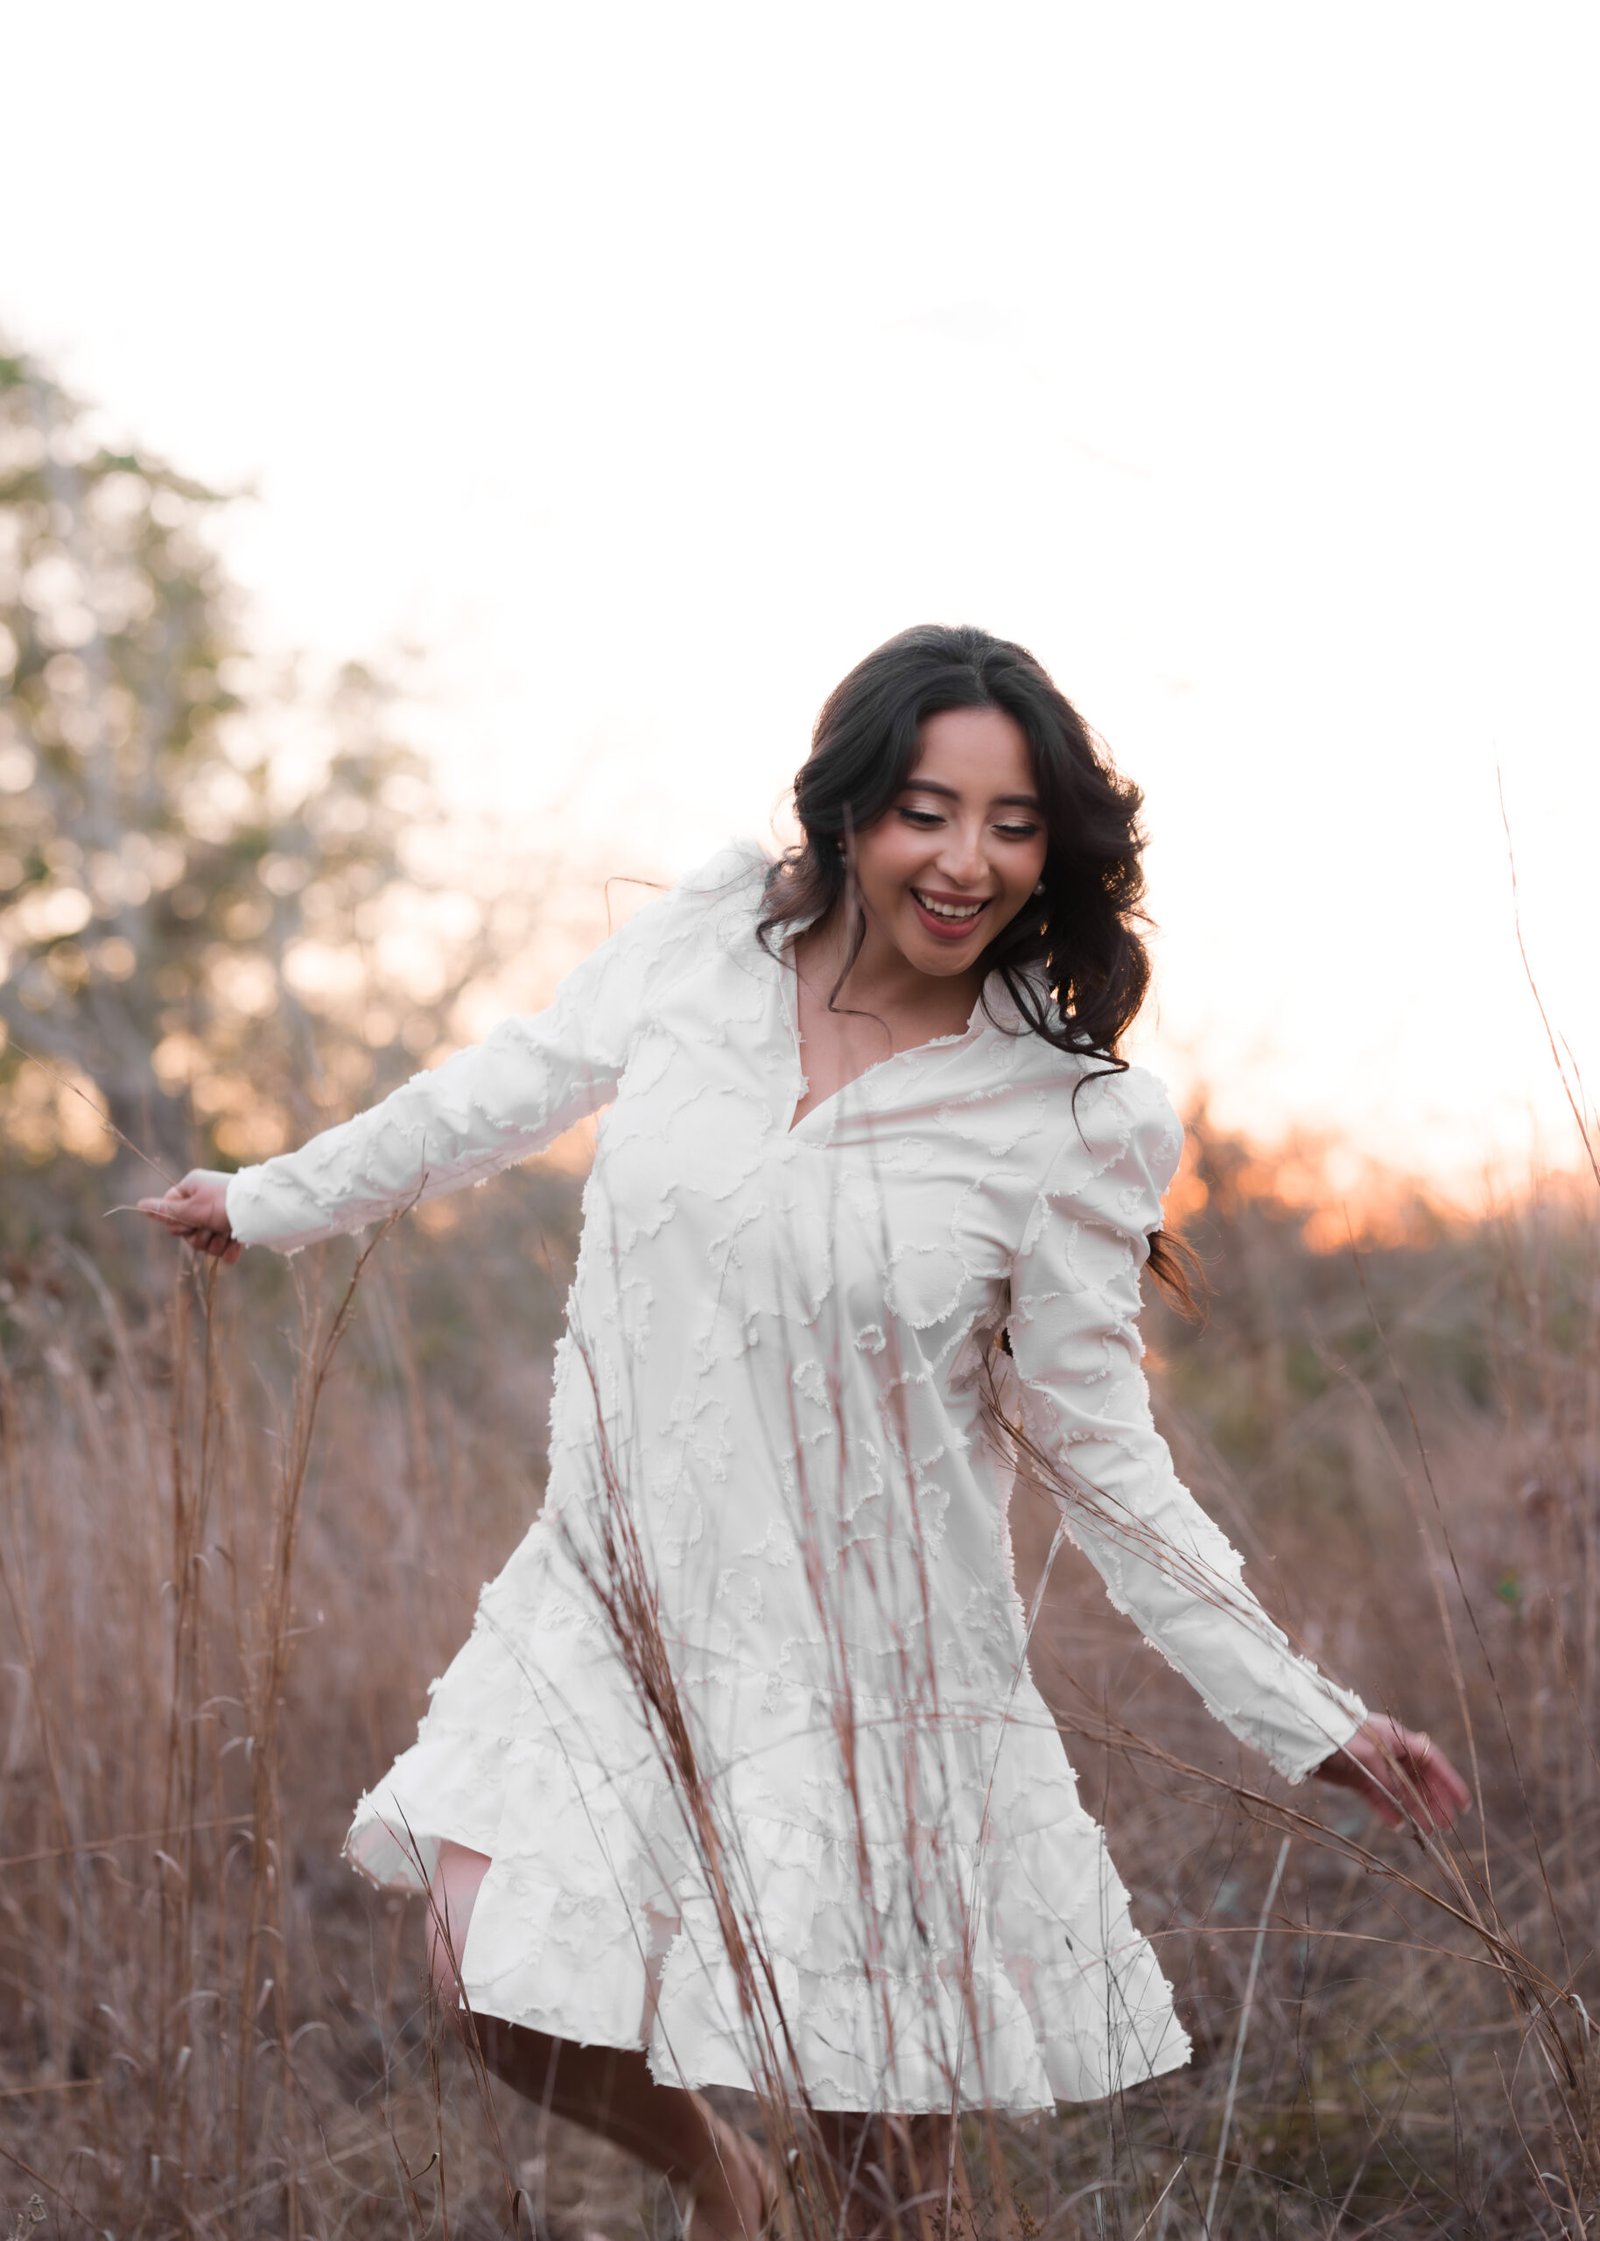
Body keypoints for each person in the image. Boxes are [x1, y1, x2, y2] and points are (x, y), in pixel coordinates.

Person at [139, 623, 1469, 2241]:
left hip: (877, 1667)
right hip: (614, 1598)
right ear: (847, 810)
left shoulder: (1066, 1117)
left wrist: (1301, 1711)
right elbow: (498, 1089)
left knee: (889, 2173)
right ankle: (722, 2182)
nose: (965, 858)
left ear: (1056, 849)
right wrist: (269, 1197)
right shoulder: (701, 953)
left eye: (1012, 821)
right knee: (484, 1961)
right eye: (927, 807)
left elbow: (1104, 1456)